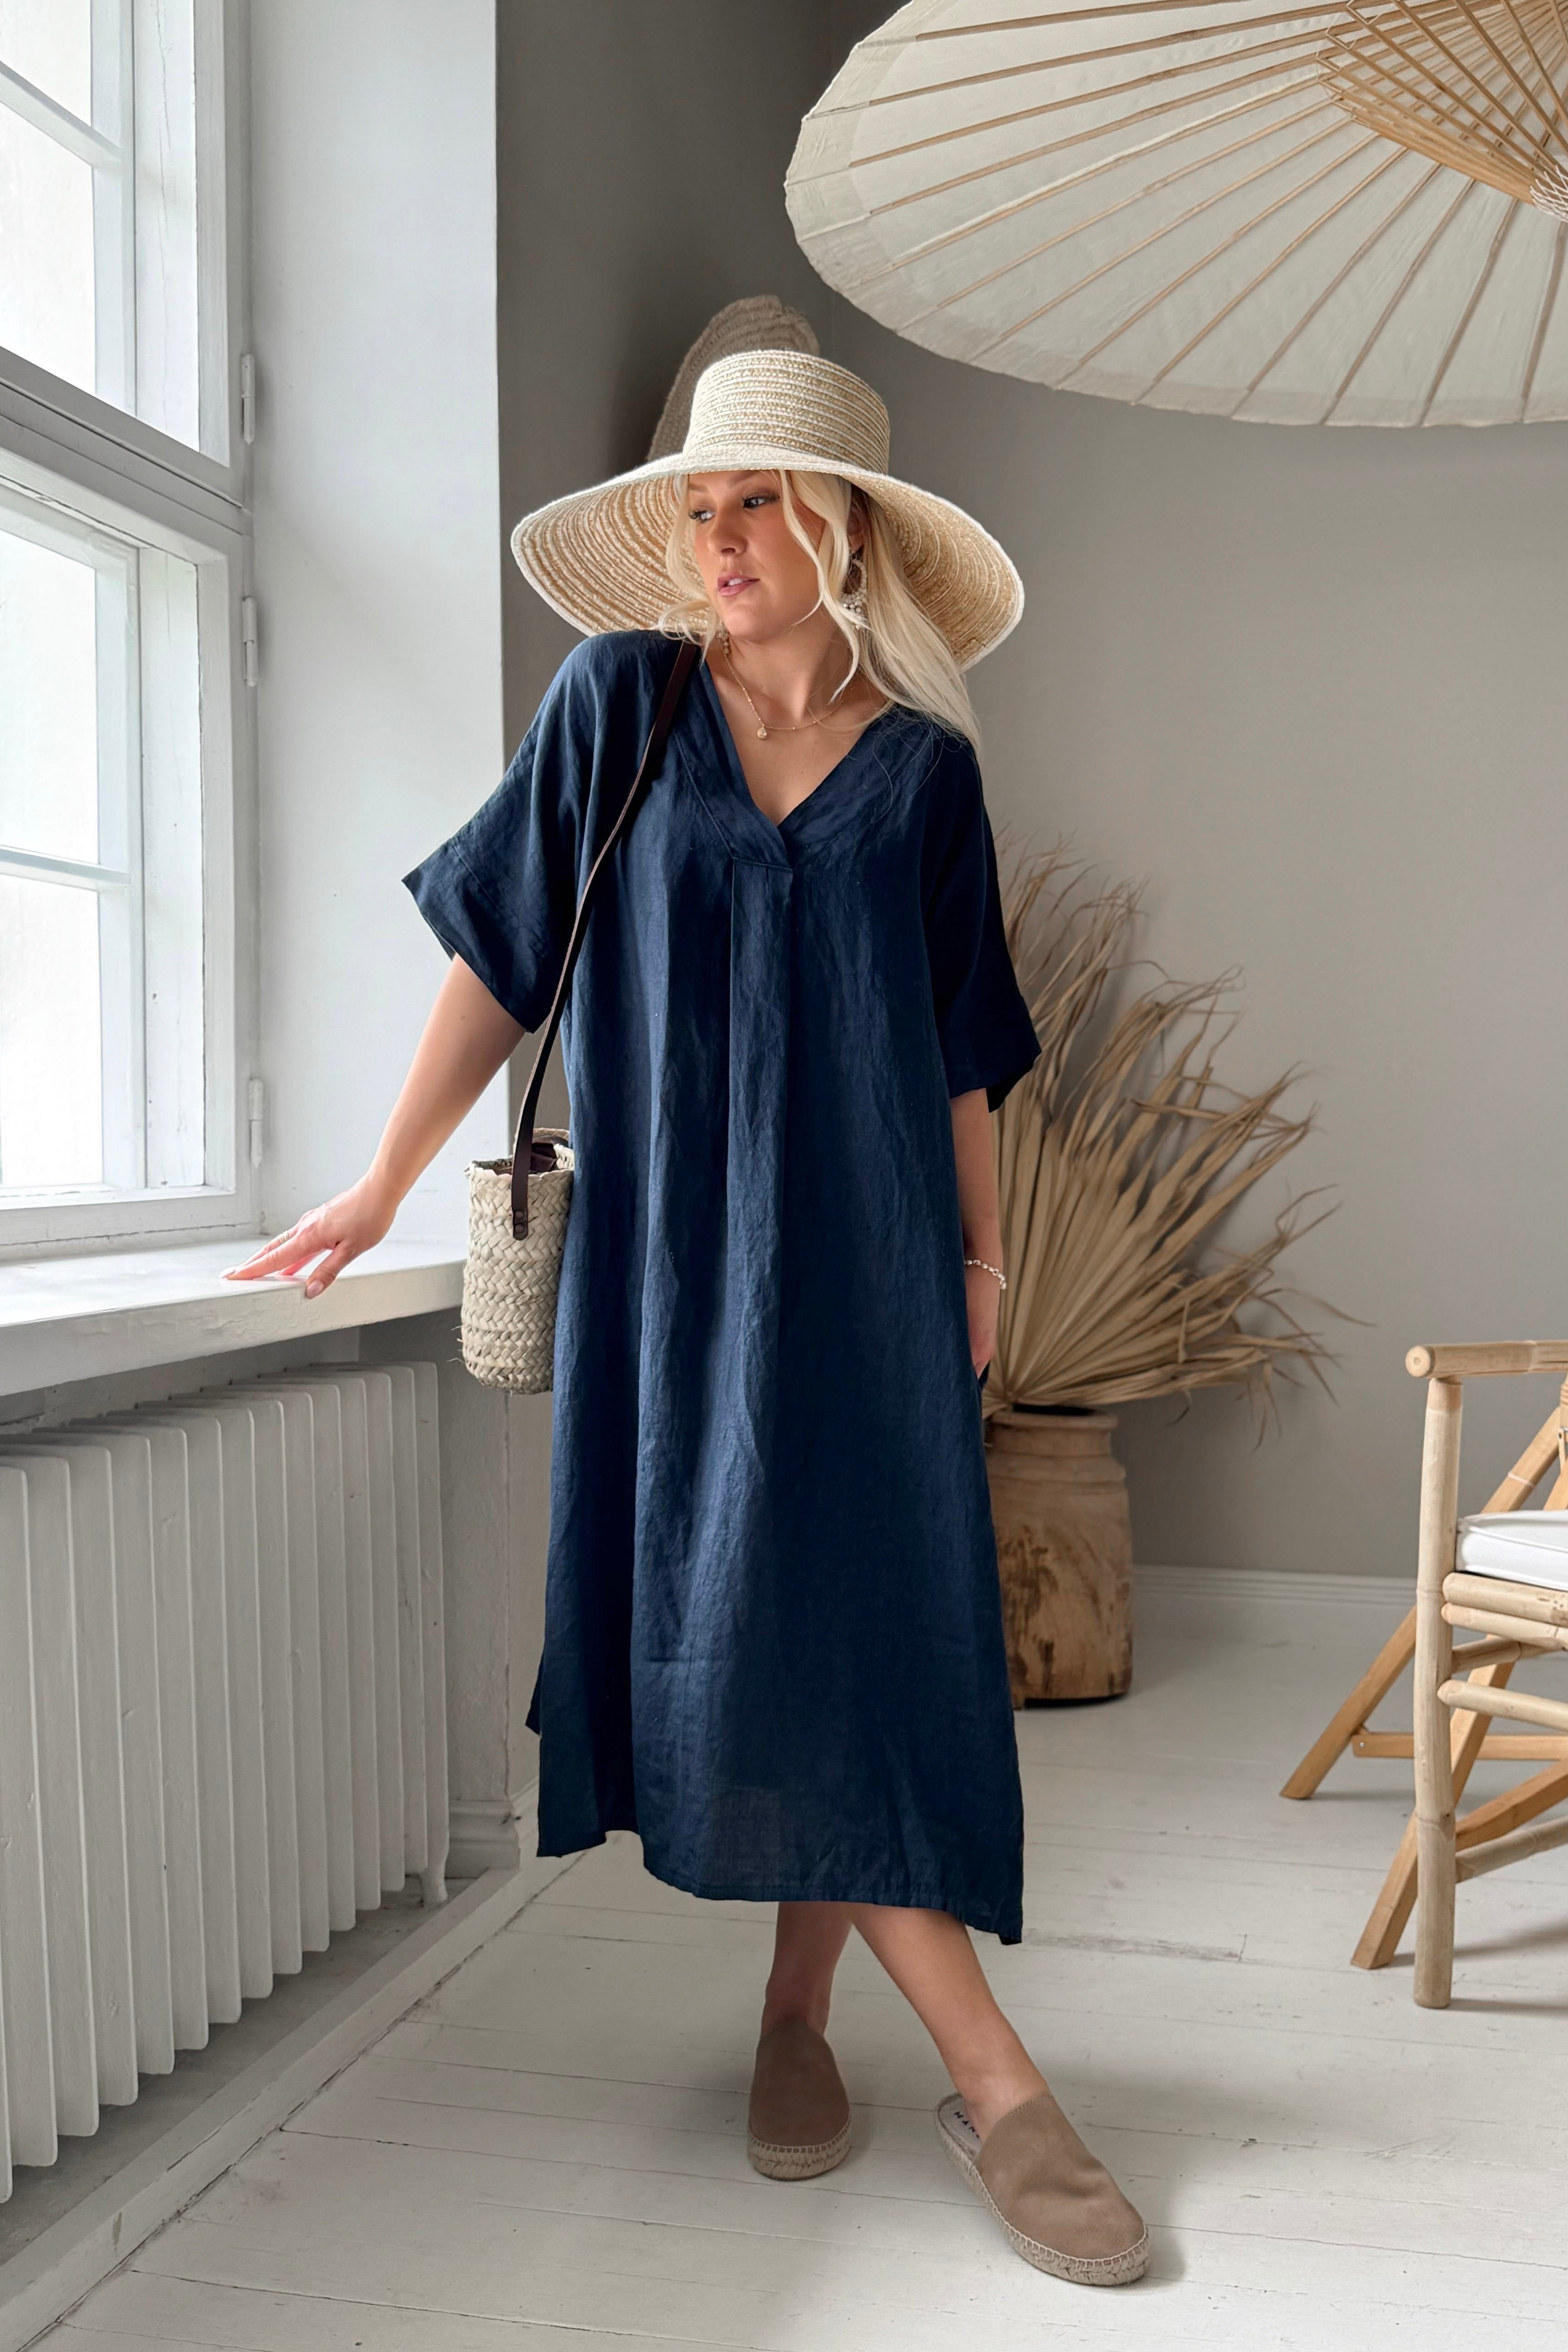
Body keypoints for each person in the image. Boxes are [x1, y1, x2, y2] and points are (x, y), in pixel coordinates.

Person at [223, 350, 1148, 2287]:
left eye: (758, 504)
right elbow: (502, 954)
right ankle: (987, 2076)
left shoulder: (927, 772)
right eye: (702, 507)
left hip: (877, 1261)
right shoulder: (618, 702)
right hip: (674, 1273)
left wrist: (983, 1266)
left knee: (857, 1626)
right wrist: (381, 1183)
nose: (718, 540)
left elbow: (963, 1054)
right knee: (767, 1624)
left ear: (842, 530)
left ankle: (809, 2016)